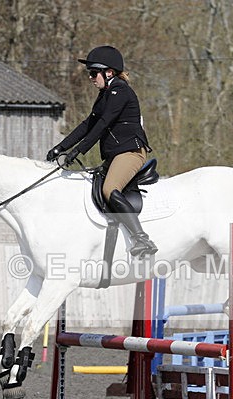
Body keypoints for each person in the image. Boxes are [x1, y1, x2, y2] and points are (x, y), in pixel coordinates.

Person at [46, 45, 157, 257]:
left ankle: (142, 239)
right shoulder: (105, 94)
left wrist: (79, 151)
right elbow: (88, 124)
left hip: (131, 152)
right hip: (116, 154)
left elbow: (104, 123)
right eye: (90, 73)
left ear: (109, 72)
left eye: (94, 73)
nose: (90, 77)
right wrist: (60, 147)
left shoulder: (120, 91)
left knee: (109, 189)